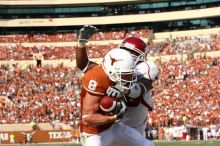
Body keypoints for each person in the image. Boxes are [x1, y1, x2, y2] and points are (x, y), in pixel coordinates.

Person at [76, 25, 158, 146]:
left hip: (129, 124)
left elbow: (142, 87)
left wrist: (123, 89)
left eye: (133, 53)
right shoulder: (108, 71)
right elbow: (84, 65)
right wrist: (81, 44)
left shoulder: (146, 68)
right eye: (126, 51)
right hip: (105, 128)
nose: (128, 55)